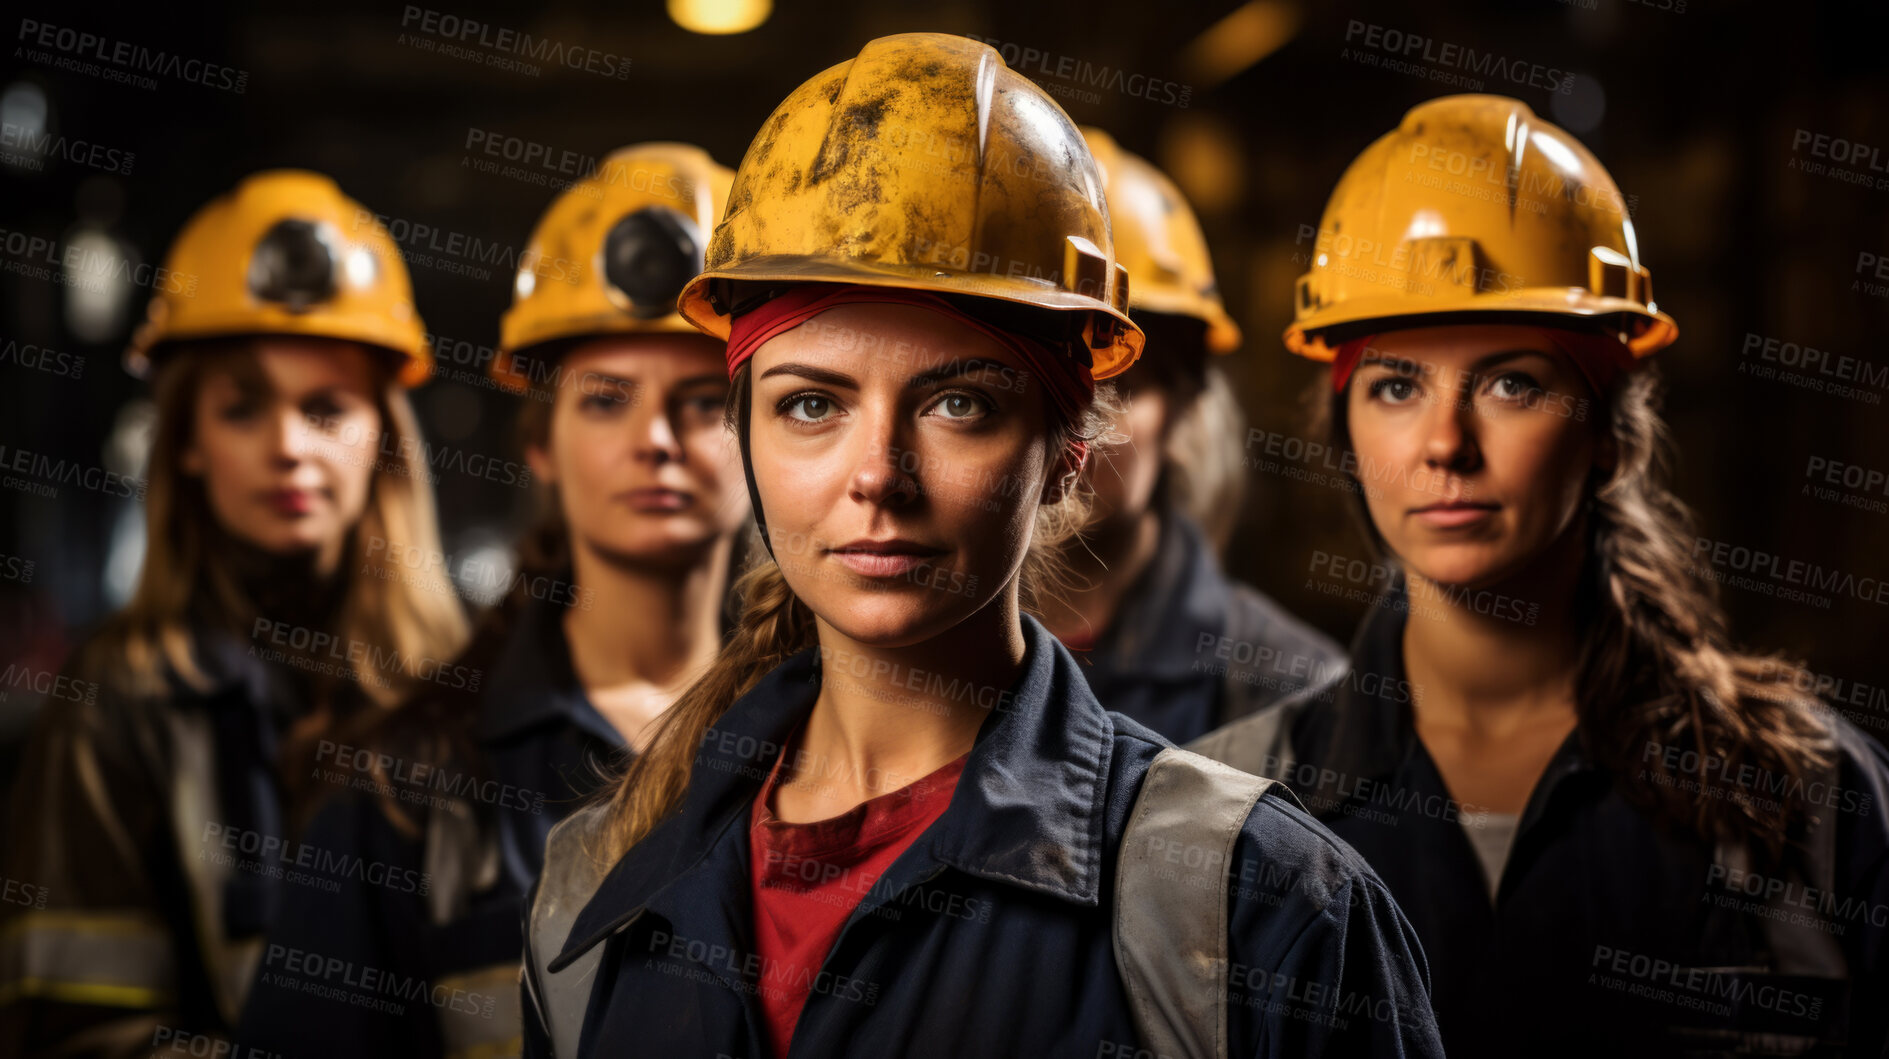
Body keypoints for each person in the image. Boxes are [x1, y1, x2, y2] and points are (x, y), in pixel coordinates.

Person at [521, 34, 1444, 1059]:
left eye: (958, 403)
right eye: (811, 405)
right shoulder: (589, 896)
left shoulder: (1259, 910)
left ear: (1064, 455)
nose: (877, 472)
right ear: (742, 438)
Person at [1190, 94, 1889, 1058]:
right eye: (1396, 386)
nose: (1444, 444)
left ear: (1609, 430)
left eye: (1511, 382)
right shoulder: (1223, 808)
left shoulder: (1807, 799)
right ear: (1343, 433)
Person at [234, 145, 750, 1059]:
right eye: (606, 400)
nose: (655, 440)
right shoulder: (404, 784)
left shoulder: (840, 739)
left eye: (704, 400)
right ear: (541, 442)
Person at [0, 171, 470, 1055]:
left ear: (384, 439)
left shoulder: (464, 689)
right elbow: (67, 1030)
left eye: (326, 408)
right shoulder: (115, 697)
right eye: (243, 406)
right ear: (184, 440)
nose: (289, 445)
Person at [1037, 128, 1341, 744]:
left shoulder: (1292, 696)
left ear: (1184, 407)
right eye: (1026, 378)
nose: (1070, 423)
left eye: (1113, 384)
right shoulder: (878, 651)